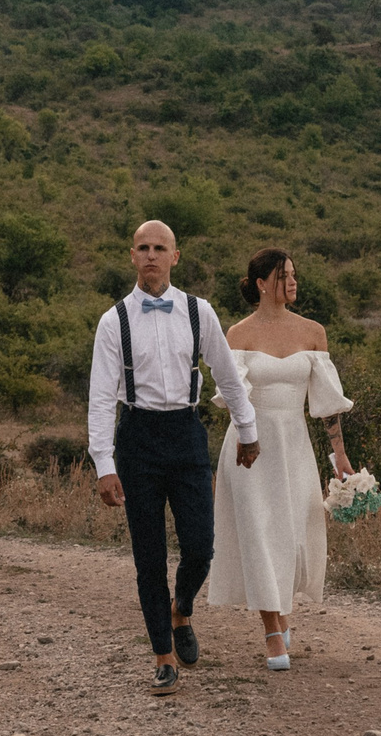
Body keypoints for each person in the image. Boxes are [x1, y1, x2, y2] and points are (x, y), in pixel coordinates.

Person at [88, 220, 261, 695]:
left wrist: (248, 429)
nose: (150, 256)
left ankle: (181, 608)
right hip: (137, 436)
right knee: (148, 556)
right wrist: (104, 464)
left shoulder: (197, 311)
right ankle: (163, 655)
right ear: (132, 256)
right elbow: (101, 398)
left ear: (175, 256)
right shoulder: (113, 321)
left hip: (186, 432)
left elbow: (227, 375)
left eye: (159, 248)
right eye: (142, 248)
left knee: (201, 545)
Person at [208, 248, 353, 671]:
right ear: (261, 283)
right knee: (258, 531)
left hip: (294, 444)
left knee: (292, 532)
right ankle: (272, 630)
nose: (292, 282)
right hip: (248, 446)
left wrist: (340, 455)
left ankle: (282, 611)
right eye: (283, 276)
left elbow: (326, 403)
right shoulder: (238, 334)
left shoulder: (313, 332)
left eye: (293, 275)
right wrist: (246, 437)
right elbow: (234, 397)